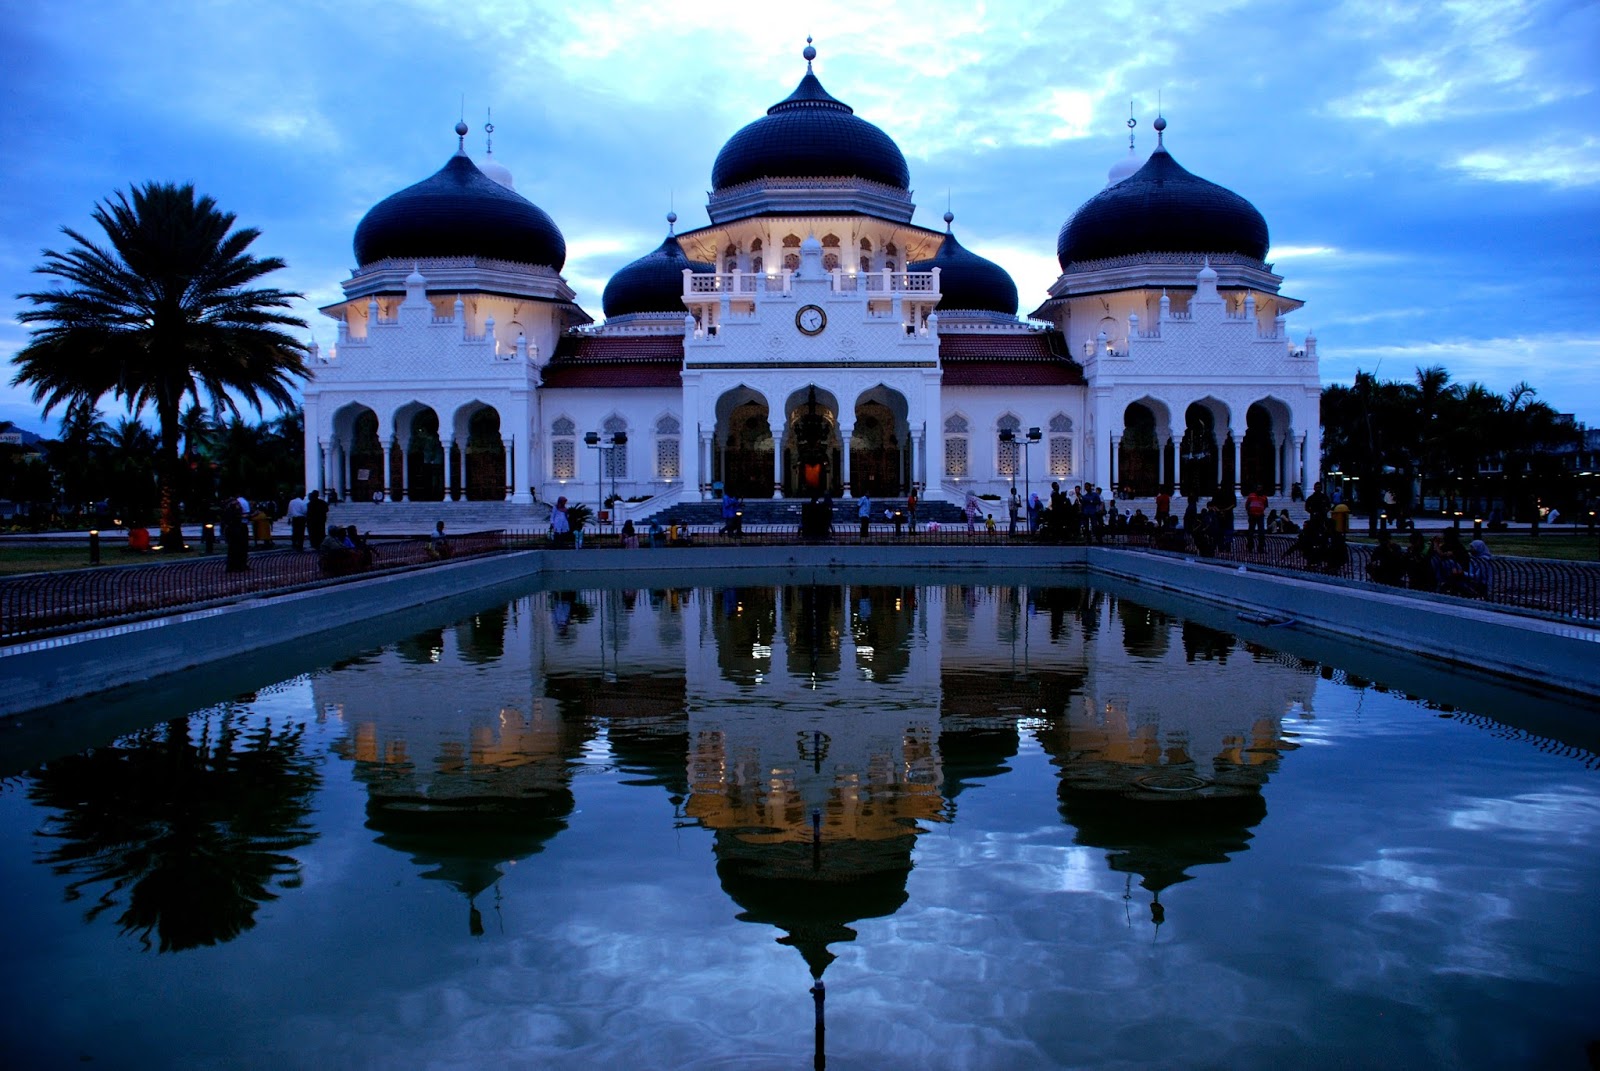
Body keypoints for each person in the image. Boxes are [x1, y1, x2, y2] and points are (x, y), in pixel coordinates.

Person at [222, 494, 249, 572]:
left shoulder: (230, 505)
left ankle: (236, 565)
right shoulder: (232, 505)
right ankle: (235, 566)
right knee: (235, 548)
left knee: (236, 548)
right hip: (235, 528)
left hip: (234, 527)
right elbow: (235, 516)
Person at [1244, 486, 1269, 552]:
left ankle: (1260, 547)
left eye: (1260, 488)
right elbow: (1247, 505)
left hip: (1260, 515)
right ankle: (1250, 546)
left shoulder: (1264, 497)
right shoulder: (1251, 496)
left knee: (1261, 532)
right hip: (1252, 515)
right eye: (1258, 488)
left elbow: (1265, 505)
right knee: (1251, 532)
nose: (1259, 489)